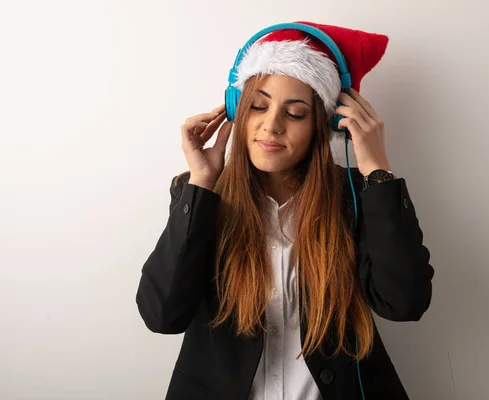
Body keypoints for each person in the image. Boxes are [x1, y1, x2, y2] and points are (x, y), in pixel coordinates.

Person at [136, 21, 435, 400]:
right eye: (259, 106)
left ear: (321, 126)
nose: (272, 125)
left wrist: (377, 170)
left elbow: (404, 302)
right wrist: (201, 184)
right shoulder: (198, 195)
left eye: (295, 113)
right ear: (238, 111)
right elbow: (161, 316)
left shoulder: (358, 195)